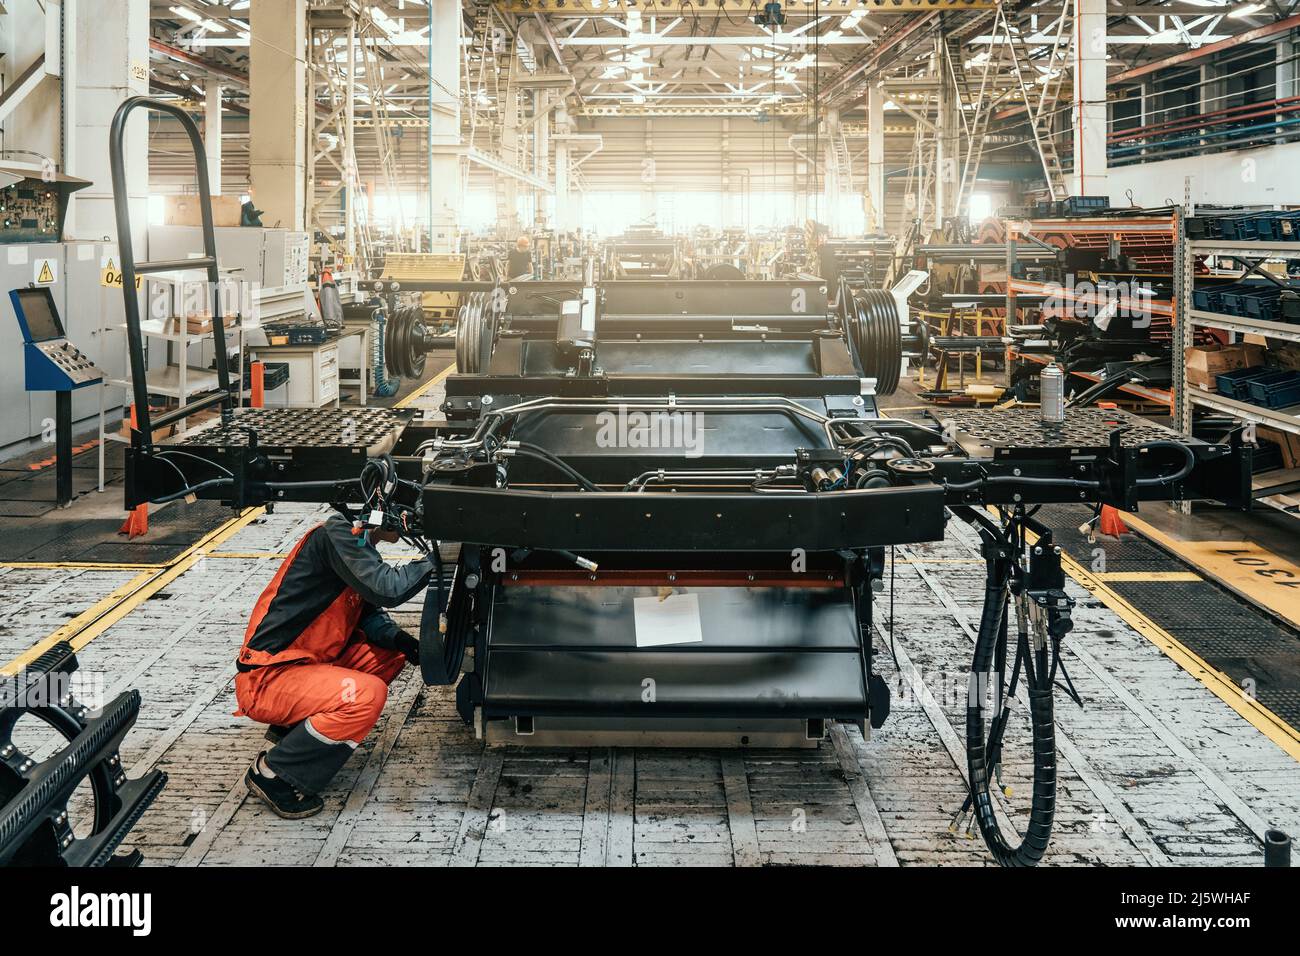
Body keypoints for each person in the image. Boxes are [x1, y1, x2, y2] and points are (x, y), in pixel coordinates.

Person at [235, 514, 432, 818]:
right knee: (367, 695)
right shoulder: (336, 536)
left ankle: (295, 731)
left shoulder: (355, 545)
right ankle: (274, 772)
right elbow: (388, 589)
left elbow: (369, 613)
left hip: (304, 665)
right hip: (267, 678)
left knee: (388, 653)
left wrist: (401, 641)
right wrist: (439, 557)